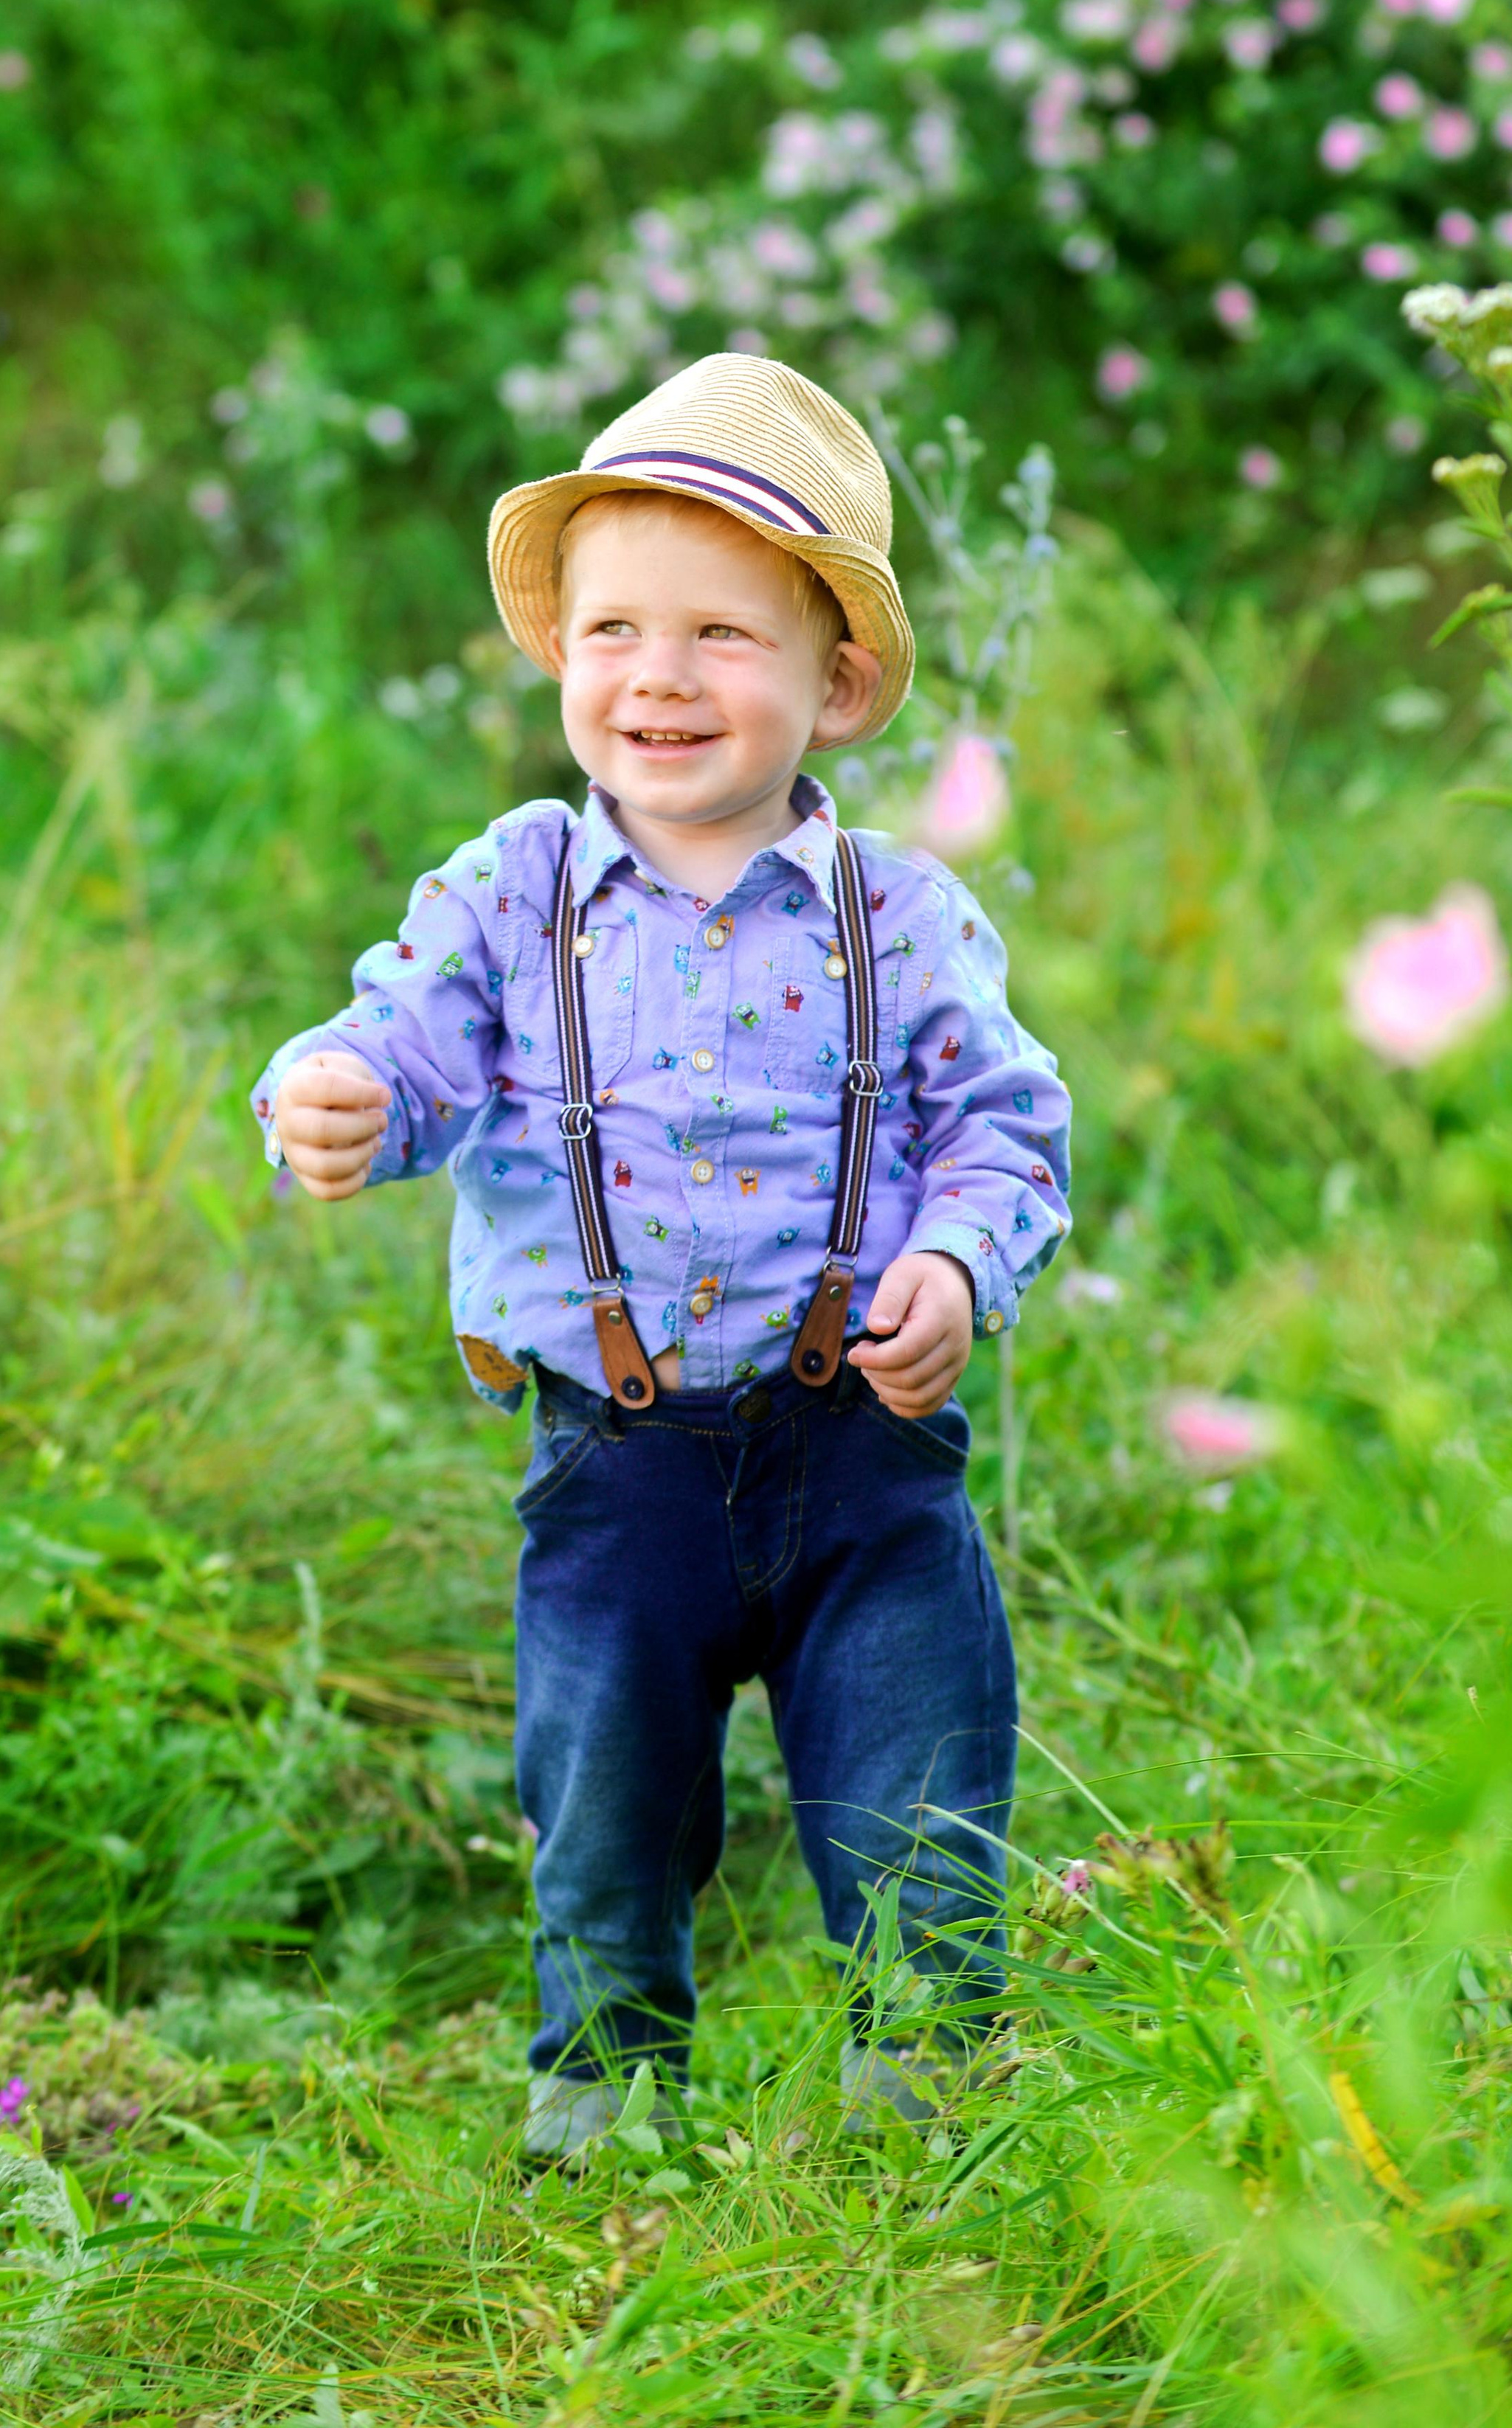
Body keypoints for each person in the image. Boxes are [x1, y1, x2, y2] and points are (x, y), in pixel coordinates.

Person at [252, 353, 1071, 2154]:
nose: (660, 677)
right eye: (615, 627)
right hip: (611, 1464)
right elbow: (408, 1043)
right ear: (563, 657)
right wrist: (335, 1094)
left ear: (832, 682)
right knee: (603, 1794)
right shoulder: (510, 890)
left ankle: (935, 2105)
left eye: (721, 634)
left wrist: (951, 1265)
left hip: (861, 1449)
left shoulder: (900, 916)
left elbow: (999, 1128)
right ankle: (607, 2103)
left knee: (916, 1780)